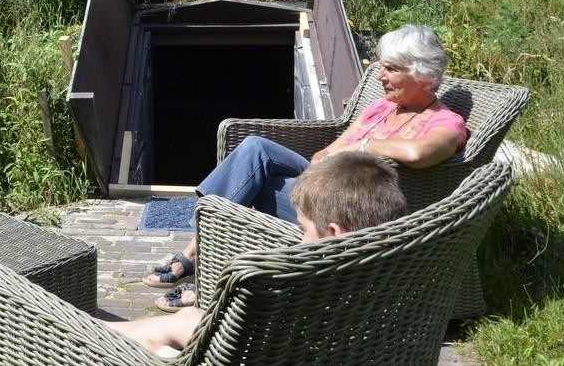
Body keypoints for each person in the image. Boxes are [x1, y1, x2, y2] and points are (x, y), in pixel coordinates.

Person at [144, 23, 466, 310]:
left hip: (346, 207)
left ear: (423, 76)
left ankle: (203, 276)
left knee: (256, 185)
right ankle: (197, 248)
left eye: (391, 69)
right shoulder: (382, 108)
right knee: (256, 149)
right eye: (381, 67)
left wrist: (363, 147)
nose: (380, 76)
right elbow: (325, 154)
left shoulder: (444, 122)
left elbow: (418, 153)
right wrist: (334, 156)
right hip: (324, 182)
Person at [112, 151, 408, 355]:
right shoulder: (391, 281)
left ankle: (93, 330)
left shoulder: (311, 287)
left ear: (333, 233)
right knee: (184, 318)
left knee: (176, 325)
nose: (300, 239)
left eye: (304, 229)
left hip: (253, 350)